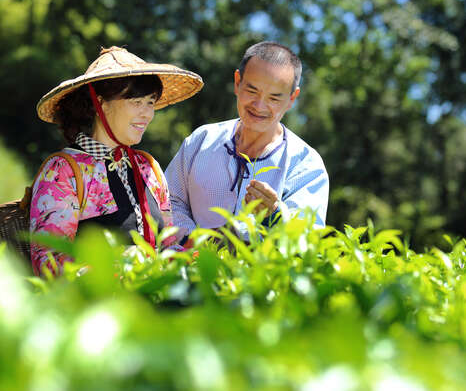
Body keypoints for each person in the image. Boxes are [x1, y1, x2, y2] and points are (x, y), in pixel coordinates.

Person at [30, 46, 203, 276]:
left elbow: (166, 244)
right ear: (101, 103)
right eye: (136, 102)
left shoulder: (147, 167)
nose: (147, 114)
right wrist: (119, 264)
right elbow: (49, 263)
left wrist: (191, 257)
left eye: (150, 102)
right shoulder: (64, 171)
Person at [165, 41, 328, 243]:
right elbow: (170, 201)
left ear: (292, 99)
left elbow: (307, 240)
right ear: (237, 82)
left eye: (274, 98)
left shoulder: (305, 164)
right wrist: (193, 243)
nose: (259, 106)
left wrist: (275, 215)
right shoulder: (201, 141)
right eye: (252, 91)